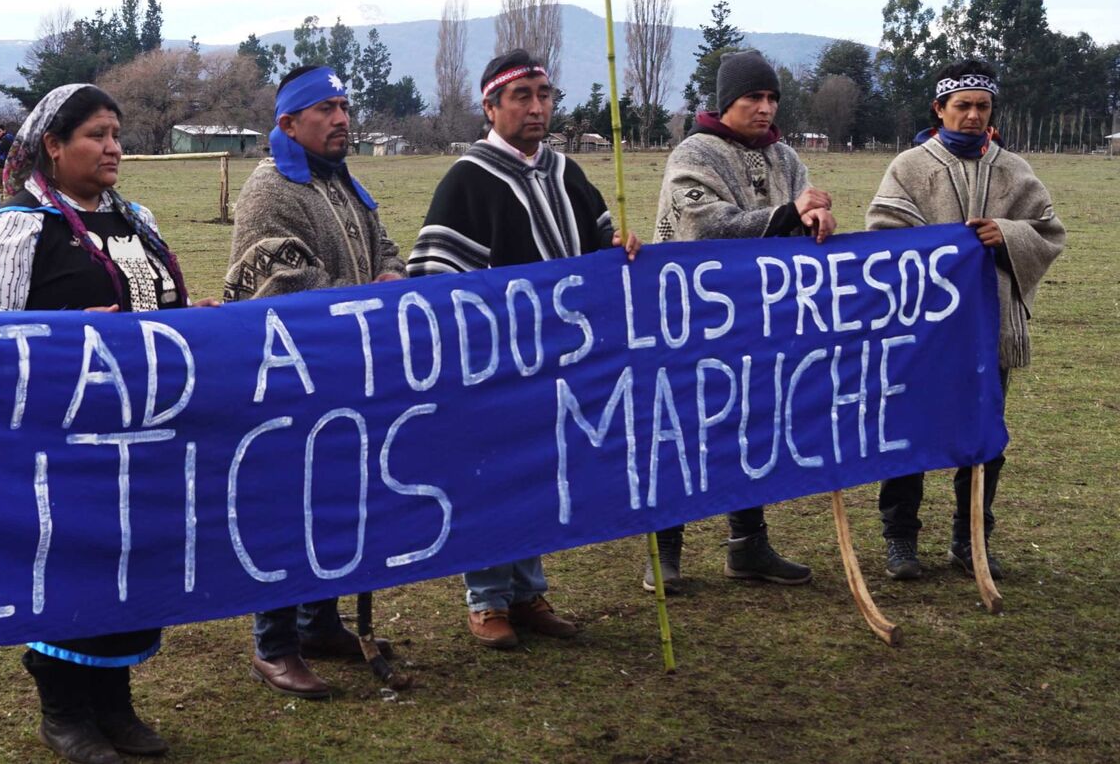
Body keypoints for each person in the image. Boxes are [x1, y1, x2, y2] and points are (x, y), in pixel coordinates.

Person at [0, 83, 212, 764]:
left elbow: (158, 309)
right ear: (54, 145)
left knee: (130, 564)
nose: (113, 147)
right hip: (61, 442)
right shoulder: (15, 231)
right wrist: (62, 333)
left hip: (146, 433)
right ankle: (63, 707)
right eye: (96, 135)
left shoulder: (138, 221)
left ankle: (113, 699)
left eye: (116, 134)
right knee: (72, 564)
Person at [407, 50, 632, 648]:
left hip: (559, 367)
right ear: (490, 106)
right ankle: (486, 599)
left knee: (540, 473)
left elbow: (598, 249)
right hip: (494, 370)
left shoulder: (566, 173)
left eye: (544, 95)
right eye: (522, 97)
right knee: (491, 476)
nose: (537, 108)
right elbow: (433, 278)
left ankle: (528, 591)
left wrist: (620, 248)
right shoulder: (468, 179)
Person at [222, 64, 404, 700]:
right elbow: (283, 287)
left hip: (347, 376)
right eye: (324, 109)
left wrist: (389, 279)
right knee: (287, 508)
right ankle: (273, 645)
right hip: (288, 380)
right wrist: (368, 302)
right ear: (288, 123)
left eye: (344, 106)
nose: (341, 119)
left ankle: (319, 621)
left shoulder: (347, 185)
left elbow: (386, 249)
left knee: (336, 501)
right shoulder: (272, 189)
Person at [866, 59, 1066, 580]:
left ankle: (970, 536)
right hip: (922, 332)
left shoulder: (1014, 170)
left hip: (990, 328)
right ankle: (901, 540)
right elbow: (884, 232)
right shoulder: (909, 168)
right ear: (939, 109)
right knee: (908, 430)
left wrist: (1008, 234)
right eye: (963, 105)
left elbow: (1048, 231)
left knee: (982, 434)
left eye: (982, 106)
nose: (973, 115)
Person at [650, 50, 827, 593]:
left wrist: (815, 220)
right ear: (727, 101)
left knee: (752, 424)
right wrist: (788, 215)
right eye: (753, 97)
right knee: (681, 427)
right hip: (689, 317)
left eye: (772, 98)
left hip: (759, 320)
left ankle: (747, 545)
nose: (765, 107)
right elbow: (702, 225)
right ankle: (664, 554)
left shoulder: (787, 158)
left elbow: (798, 220)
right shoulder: (694, 153)